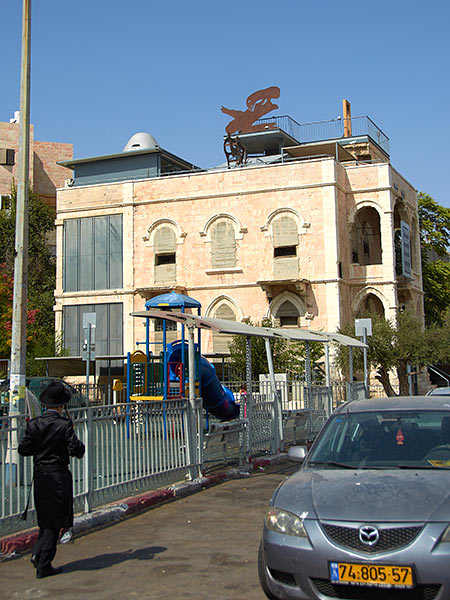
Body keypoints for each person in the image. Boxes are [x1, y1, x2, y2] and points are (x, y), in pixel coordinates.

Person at [18, 381, 85, 578]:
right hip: (58, 475)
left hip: (40, 476)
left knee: (45, 518)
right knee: (56, 521)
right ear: (61, 405)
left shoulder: (34, 425)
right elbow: (76, 450)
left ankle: (40, 554)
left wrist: (40, 448)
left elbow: (24, 449)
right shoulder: (63, 425)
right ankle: (42, 559)